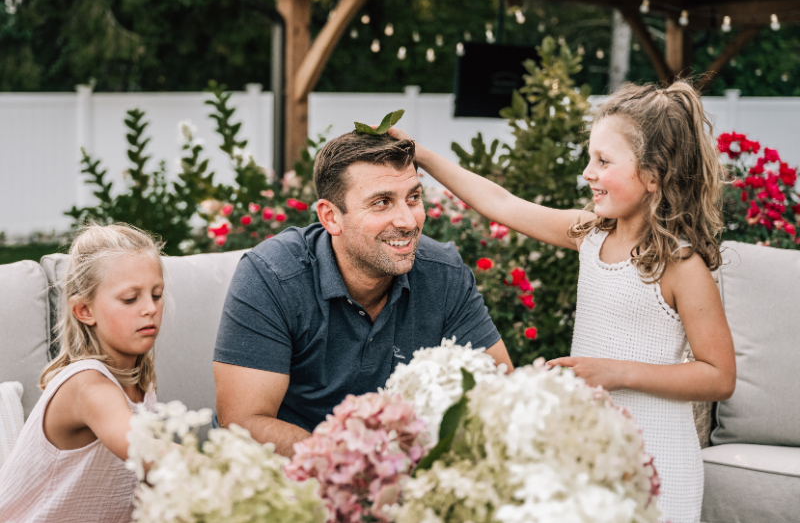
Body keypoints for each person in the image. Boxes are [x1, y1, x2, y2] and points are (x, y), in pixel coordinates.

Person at [388, 81, 736, 523]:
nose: (588, 173)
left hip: (660, 460)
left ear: (653, 175)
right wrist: (422, 155)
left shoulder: (681, 266)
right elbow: (501, 202)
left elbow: (720, 376)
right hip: (590, 453)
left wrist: (615, 371)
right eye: (589, 158)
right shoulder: (589, 234)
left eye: (603, 161)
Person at [213, 131, 513, 457]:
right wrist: (361, 467)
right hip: (286, 475)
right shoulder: (272, 275)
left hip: (404, 475)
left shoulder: (444, 273)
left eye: (413, 198)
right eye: (382, 203)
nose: (407, 220)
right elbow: (244, 422)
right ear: (331, 217)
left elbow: (501, 391)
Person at [0, 224, 163, 523]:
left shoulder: (142, 384)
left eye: (156, 294)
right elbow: (145, 450)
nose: (150, 308)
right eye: (130, 299)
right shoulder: (86, 385)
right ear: (84, 310)